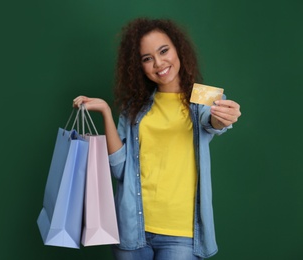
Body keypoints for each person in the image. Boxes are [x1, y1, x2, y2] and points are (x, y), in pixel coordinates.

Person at [73, 18, 241, 260]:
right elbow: (120, 169)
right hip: (132, 228)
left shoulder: (205, 96)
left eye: (164, 51)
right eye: (147, 58)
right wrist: (106, 113)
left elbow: (212, 121)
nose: (159, 63)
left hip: (181, 234)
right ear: (139, 66)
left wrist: (224, 119)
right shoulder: (134, 107)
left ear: (178, 48)